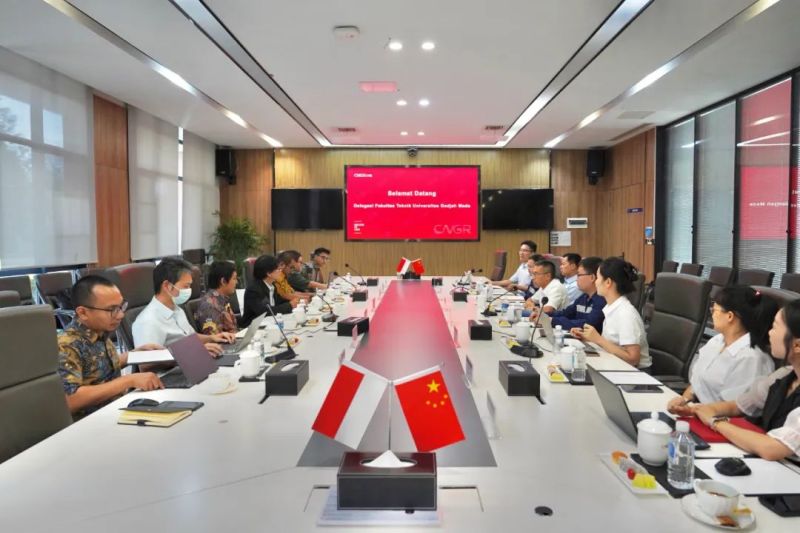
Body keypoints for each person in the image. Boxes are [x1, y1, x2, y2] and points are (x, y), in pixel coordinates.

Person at [692, 299, 800, 461]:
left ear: (797, 345)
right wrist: (700, 409)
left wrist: (715, 423)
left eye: (775, 327)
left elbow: (772, 448)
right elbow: (739, 405)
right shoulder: (784, 375)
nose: (769, 333)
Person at [57, 276, 163, 419]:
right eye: (111, 309)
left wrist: (134, 354)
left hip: (117, 409)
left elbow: (96, 367)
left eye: (121, 306)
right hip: (93, 421)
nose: (120, 315)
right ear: (83, 313)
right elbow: (71, 399)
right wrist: (128, 380)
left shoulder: (99, 331)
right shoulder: (67, 344)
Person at [668, 287, 777, 414]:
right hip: (699, 412)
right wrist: (684, 399)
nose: (712, 314)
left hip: (720, 420)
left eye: (714, 310)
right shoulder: (717, 341)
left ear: (730, 316)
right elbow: (697, 384)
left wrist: (692, 411)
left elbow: (734, 409)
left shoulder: (751, 359)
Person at [132, 258, 233, 356]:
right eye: (186, 286)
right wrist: (194, 350)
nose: (189, 290)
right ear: (167, 286)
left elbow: (190, 338)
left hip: (192, 362)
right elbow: (146, 362)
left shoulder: (177, 310)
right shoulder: (147, 321)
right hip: (176, 367)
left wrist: (212, 338)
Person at [572, 257, 651, 369]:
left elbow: (633, 359)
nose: (595, 282)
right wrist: (587, 337)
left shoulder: (626, 314)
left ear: (608, 282)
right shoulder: (611, 307)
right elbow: (611, 346)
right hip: (615, 365)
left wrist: (598, 339)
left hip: (635, 373)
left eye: (598, 278)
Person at [531, 256, 606, 332]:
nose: (576, 279)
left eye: (579, 275)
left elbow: (588, 324)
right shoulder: (583, 297)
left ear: (592, 277)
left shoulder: (602, 300)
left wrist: (551, 321)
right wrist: (543, 314)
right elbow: (565, 313)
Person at [242, 254, 295, 327]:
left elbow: (279, 303)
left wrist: (295, 302)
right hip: (253, 328)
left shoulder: (272, 286)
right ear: (269, 273)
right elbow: (265, 312)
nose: (280, 272)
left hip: (269, 325)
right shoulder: (253, 290)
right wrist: (289, 305)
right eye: (278, 269)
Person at [194, 260, 239, 336]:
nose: (236, 282)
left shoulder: (223, 299)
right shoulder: (209, 306)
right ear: (223, 281)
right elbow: (215, 339)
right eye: (234, 279)